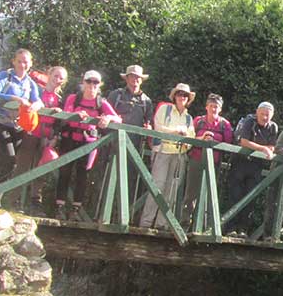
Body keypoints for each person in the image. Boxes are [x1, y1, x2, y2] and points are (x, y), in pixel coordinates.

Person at [55, 70, 121, 219]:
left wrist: (109, 118)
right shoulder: (73, 98)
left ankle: (76, 210)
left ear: (100, 85)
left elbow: (118, 119)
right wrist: (76, 115)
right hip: (69, 138)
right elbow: (66, 114)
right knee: (64, 172)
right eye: (89, 81)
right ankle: (59, 207)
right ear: (83, 82)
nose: (92, 85)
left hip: (88, 143)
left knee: (82, 174)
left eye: (95, 82)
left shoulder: (101, 102)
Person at [0, 48, 44, 205]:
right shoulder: (4, 76)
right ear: (14, 62)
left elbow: (37, 99)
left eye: (25, 62)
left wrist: (36, 105)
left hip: (17, 126)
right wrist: (15, 98)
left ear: (30, 64)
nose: (22, 65)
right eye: (19, 61)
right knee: (8, 159)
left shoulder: (30, 83)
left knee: (11, 163)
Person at [139, 83, 196, 230]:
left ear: (188, 98)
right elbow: (158, 128)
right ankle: (145, 224)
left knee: (171, 191)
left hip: (179, 155)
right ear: (174, 96)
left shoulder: (189, 118)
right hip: (163, 151)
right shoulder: (165, 109)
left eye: (185, 95)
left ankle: (161, 225)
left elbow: (191, 139)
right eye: (179, 94)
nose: (182, 97)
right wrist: (176, 132)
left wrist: (184, 141)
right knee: (156, 188)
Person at [10, 65, 67, 211]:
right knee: (21, 167)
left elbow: (59, 123)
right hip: (30, 133)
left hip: (46, 137)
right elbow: (28, 107)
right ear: (49, 75)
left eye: (61, 78)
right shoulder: (37, 92)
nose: (58, 80)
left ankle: (35, 203)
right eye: (56, 76)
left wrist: (55, 137)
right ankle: (13, 201)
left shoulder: (59, 99)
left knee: (41, 171)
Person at [100, 65, 154, 207]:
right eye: (132, 76)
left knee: (129, 180)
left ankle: (122, 214)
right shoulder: (116, 95)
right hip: (111, 143)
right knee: (106, 178)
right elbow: (104, 113)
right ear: (127, 78)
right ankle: (102, 212)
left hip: (133, 147)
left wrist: (148, 128)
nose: (135, 79)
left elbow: (149, 123)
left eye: (138, 77)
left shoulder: (146, 101)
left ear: (141, 80)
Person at [224, 101, 278, 235]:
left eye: (267, 115)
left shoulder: (273, 127)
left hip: (256, 165)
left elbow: (272, 146)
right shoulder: (249, 121)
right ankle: (230, 228)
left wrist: (268, 149)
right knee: (235, 195)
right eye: (262, 114)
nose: (265, 117)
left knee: (250, 197)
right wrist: (263, 148)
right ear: (257, 112)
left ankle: (243, 229)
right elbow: (243, 141)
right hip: (240, 162)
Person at [181, 93, 233, 231]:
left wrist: (215, 143)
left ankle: (203, 227)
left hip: (214, 164)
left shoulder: (225, 125)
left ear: (220, 109)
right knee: (191, 193)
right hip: (196, 160)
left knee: (209, 194)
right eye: (211, 106)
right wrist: (202, 138)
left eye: (216, 107)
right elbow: (190, 138)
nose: (214, 109)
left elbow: (228, 145)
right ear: (206, 107)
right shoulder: (199, 121)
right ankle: (185, 224)